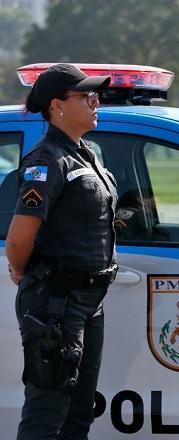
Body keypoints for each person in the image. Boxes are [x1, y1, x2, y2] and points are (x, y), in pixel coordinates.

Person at [5, 64, 117, 440]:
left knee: (78, 415)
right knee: (47, 415)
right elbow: (19, 239)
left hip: (87, 301)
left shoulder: (85, 154)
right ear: (58, 106)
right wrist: (23, 271)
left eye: (95, 95)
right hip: (55, 302)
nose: (95, 101)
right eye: (86, 96)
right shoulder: (46, 160)